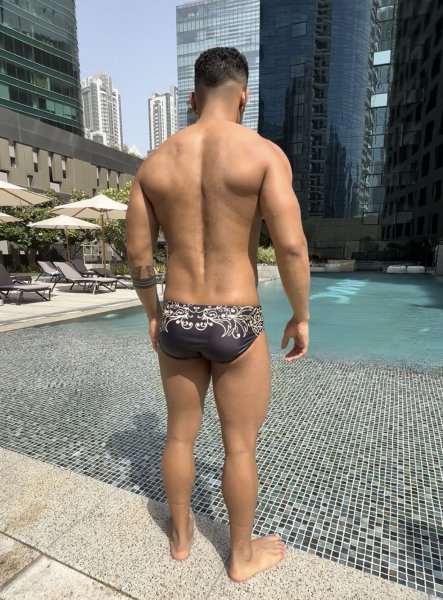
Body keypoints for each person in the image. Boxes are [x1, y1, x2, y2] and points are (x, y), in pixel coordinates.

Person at [125, 47, 310, 583]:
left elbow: (138, 256)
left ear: (191, 98)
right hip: (237, 321)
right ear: (244, 97)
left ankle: (182, 539)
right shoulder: (264, 155)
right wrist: (300, 315)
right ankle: (240, 555)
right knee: (240, 447)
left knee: (179, 437)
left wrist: (154, 313)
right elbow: (291, 246)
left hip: (179, 316)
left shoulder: (154, 164)